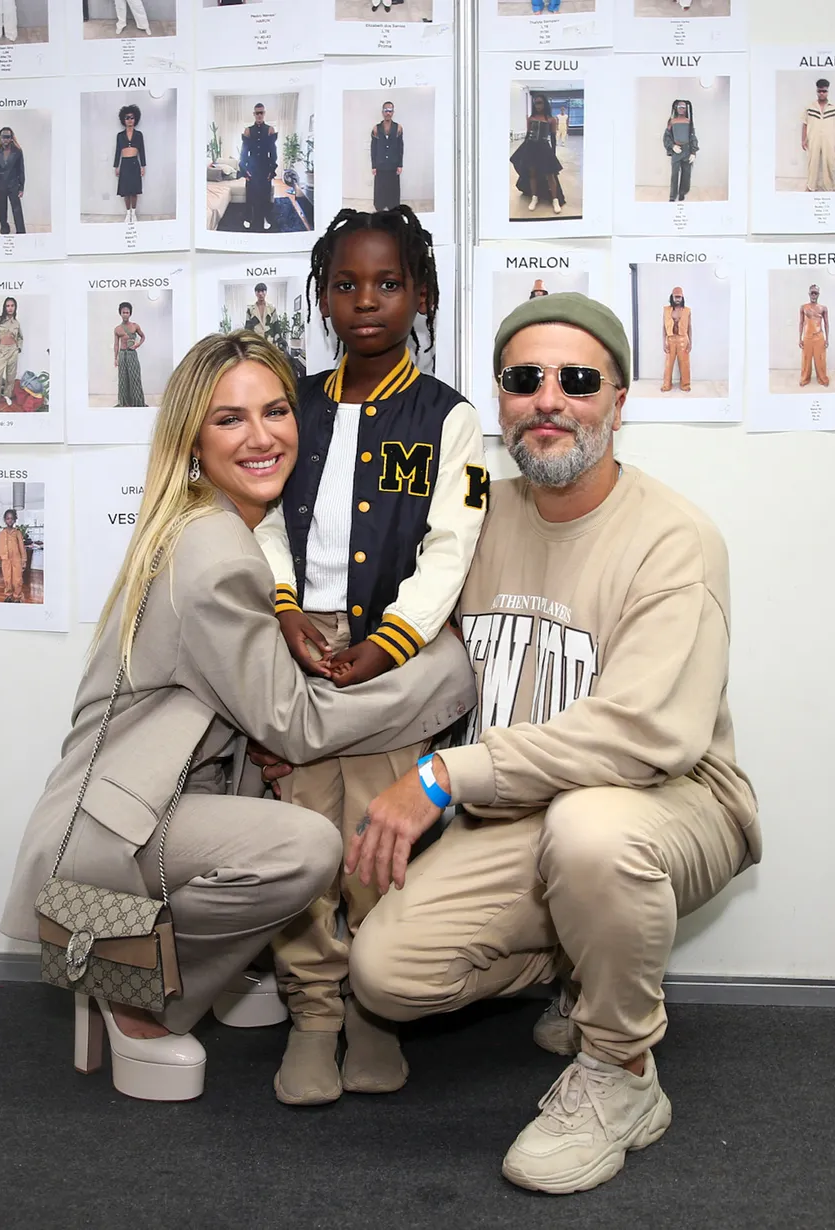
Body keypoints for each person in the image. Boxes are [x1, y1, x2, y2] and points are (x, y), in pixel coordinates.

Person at [347, 291, 760, 1197]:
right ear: (499, 403)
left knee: (594, 836)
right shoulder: (476, 518)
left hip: (669, 802)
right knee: (383, 976)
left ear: (619, 398)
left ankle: (621, 1073)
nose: (549, 399)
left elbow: (645, 735)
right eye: (524, 380)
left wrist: (446, 775)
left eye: (577, 379)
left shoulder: (674, 538)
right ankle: (590, 956)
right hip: (522, 812)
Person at [0, 331, 476, 1104]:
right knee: (306, 849)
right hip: (116, 829)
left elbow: (254, 716)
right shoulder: (218, 553)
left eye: (277, 410)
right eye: (230, 420)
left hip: (147, 797)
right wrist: (445, 671)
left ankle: (160, 965)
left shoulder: (204, 523)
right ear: (192, 438)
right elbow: (296, 725)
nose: (262, 436)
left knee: (292, 791)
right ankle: (132, 991)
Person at [254, 206, 487, 1107]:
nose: (365, 301)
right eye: (345, 284)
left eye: (386, 283)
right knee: (303, 836)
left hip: (396, 657)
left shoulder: (449, 419)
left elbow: (451, 543)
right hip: (300, 642)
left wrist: (391, 642)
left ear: (420, 295)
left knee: (376, 840)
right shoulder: (294, 404)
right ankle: (312, 1009)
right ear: (321, 298)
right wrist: (284, 608)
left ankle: (372, 1013)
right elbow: (263, 514)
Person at [510, 92, 565, 216]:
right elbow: (527, 136)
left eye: (540, 102)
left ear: (544, 103)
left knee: (550, 175)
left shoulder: (551, 119)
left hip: (544, 148)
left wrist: (553, 153)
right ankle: (534, 198)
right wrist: (523, 151)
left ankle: (555, 200)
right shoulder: (531, 119)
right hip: (531, 147)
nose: (537, 105)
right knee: (532, 173)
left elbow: (553, 138)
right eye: (535, 103)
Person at [241, 103, 278, 234]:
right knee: (250, 194)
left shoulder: (270, 130)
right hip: (251, 166)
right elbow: (244, 152)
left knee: (265, 195)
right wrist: (244, 170)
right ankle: (249, 218)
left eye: (261, 112)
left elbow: (273, 152)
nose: (259, 115)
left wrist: (272, 169)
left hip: (265, 167)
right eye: (257, 113)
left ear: (264, 113)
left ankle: (265, 218)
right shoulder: (248, 130)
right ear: (254, 114)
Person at [801, 79, 835, 193]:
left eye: (824, 91)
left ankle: (829, 187)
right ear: (816, 91)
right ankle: (811, 187)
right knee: (812, 163)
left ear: (827, 91)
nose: (822, 93)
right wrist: (803, 139)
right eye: (819, 91)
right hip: (813, 139)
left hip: (830, 140)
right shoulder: (810, 107)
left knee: (830, 163)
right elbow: (804, 124)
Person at [0, 297, 23, 410]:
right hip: (2, 351)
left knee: (11, 376)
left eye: (12, 305)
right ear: (4, 307)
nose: (10, 308)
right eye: (8, 306)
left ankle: (8, 395)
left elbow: (20, 337)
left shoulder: (16, 323)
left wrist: (18, 349)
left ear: (15, 307)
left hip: (13, 351)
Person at [114, 104, 146, 225]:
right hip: (125, 164)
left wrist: (143, 166)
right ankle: (128, 214)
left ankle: (133, 213)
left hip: (134, 163)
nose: (129, 120)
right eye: (127, 117)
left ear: (135, 119)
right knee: (125, 190)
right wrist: (116, 166)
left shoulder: (139, 135)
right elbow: (118, 151)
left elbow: (142, 151)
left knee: (134, 190)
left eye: (132, 117)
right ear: (123, 119)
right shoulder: (120, 136)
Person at [0, 127, 25, 237]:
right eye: (3, 137)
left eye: (8, 137)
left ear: (11, 138)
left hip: (14, 185)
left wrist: (21, 188)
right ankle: (4, 229)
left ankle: (21, 231)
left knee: (17, 210)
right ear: (0, 138)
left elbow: (21, 171)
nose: (5, 139)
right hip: (0, 185)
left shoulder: (18, 153)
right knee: (2, 209)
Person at [371, 102, 403, 213]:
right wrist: (374, 165)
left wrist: (400, 164)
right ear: (382, 112)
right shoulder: (376, 128)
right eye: (386, 110)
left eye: (390, 111)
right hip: (380, 164)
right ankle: (380, 206)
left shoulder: (398, 128)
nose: (388, 113)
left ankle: (393, 206)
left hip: (393, 164)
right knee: (380, 187)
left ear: (393, 112)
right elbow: (373, 147)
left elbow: (400, 147)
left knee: (393, 187)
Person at [663, 99, 698, 203]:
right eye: (679, 107)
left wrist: (693, 152)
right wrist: (672, 146)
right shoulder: (672, 121)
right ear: (676, 108)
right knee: (674, 174)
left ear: (686, 109)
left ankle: (682, 192)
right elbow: (667, 136)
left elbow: (693, 137)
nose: (681, 109)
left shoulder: (689, 122)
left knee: (686, 173)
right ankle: (672, 196)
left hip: (687, 150)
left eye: (683, 107)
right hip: (676, 150)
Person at [114, 302, 146, 408]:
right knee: (123, 378)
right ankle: (124, 403)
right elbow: (116, 344)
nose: (125, 314)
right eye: (123, 312)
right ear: (120, 313)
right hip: (122, 354)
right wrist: (116, 358)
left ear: (130, 313)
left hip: (132, 354)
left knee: (135, 377)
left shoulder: (135, 326)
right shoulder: (117, 329)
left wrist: (137, 345)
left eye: (127, 312)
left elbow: (143, 337)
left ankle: (137, 402)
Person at [799, 284, 830, 387]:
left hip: (819, 337)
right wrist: (799, 338)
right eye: (811, 293)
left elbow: (826, 323)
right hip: (807, 337)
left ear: (818, 294)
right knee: (806, 360)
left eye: (815, 293)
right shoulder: (803, 307)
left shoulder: (823, 308)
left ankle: (823, 379)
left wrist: (827, 339)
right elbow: (801, 323)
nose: (813, 295)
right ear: (809, 294)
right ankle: (804, 379)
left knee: (820, 360)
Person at [661, 286, 691, 392]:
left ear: (682, 297)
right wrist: (663, 342)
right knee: (668, 364)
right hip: (670, 339)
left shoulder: (687, 310)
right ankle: (667, 385)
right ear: (672, 297)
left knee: (685, 363)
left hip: (683, 339)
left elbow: (689, 327)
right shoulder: (666, 310)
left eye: (679, 297)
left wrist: (690, 342)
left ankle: (685, 385)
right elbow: (664, 327)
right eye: (676, 297)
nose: (677, 299)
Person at [0, 508, 26, 603]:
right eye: (8, 518)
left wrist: (24, 561)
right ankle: (9, 595)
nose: (10, 520)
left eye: (12, 518)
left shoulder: (18, 533)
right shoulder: (1, 534)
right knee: (7, 579)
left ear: (15, 520)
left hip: (17, 560)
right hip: (5, 560)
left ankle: (17, 596)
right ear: (5, 520)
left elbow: (22, 548)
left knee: (17, 580)